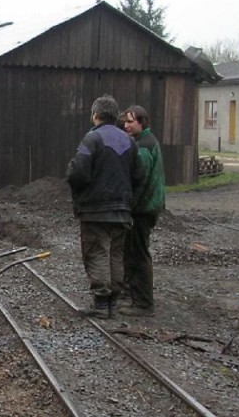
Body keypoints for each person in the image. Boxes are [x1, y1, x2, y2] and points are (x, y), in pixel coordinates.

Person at [67, 95, 145, 319]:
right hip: (122, 210)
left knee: (97, 252)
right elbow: (139, 175)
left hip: (95, 209)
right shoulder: (129, 141)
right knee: (116, 254)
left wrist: (74, 179)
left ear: (95, 115)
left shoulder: (92, 139)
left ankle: (101, 303)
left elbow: (79, 172)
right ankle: (113, 300)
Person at [120, 105, 166, 317]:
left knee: (138, 254)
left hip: (142, 208)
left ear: (142, 122)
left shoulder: (144, 146)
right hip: (146, 206)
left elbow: (140, 180)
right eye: (125, 121)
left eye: (131, 121)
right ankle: (131, 293)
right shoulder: (145, 142)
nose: (126, 125)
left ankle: (144, 303)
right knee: (131, 252)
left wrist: (128, 207)